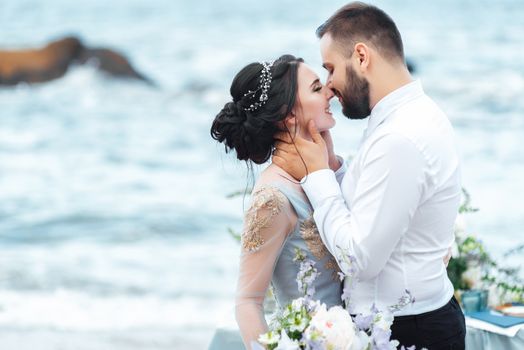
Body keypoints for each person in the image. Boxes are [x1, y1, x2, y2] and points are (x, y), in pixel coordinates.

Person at [272, 2, 466, 349]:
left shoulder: (399, 136)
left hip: (409, 331)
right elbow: (380, 201)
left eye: (331, 69)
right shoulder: (409, 115)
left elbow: (359, 259)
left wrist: (318, 177)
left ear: (361, 56)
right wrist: (335, 168)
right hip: (416, 320)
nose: (329, 86)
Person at [210, 54, 345, 349]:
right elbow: (247, 301)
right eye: (315, 88)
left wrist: (331, 165)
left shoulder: (326, 174)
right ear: (289, 115)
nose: (330, 92)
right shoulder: (273, 198)